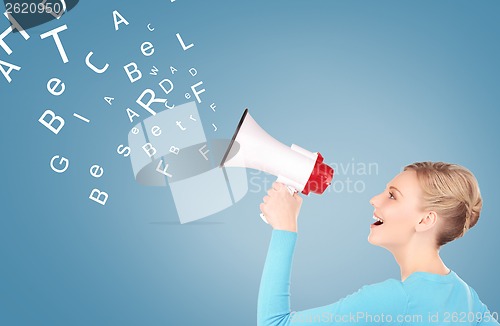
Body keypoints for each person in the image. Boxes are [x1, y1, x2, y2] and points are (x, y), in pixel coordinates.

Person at [257, 162, 499, 325]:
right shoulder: (466, 297)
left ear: (426, 220)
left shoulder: (394, 299)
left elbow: (273, 323)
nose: (374, 199)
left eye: (392, 196)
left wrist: (284, 227)